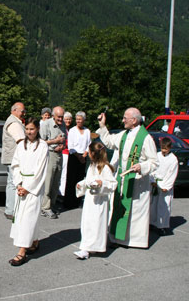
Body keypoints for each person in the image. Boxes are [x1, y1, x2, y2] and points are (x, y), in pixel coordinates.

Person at [97, 107, 158, 248]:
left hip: (138, 182)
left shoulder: (146, 138)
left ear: (134, 120)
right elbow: (109, 141)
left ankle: (134, 241)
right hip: (123, 179)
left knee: (135, 212)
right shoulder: (124, 134)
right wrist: (102, 125)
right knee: (120, 208)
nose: (123, 120)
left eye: (125, 118)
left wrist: (141, 167)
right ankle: (118, 238)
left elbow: (154, 162)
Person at [9, 118, 48, 266]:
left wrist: (28, 187)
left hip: (33, 187)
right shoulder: (21, 145)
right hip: (22, 185)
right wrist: (19, 183)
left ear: (37, 129)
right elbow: (15, 164)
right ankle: (34, 241)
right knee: (21, 217)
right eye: (27, 129)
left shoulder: (42, 146)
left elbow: (40, 170)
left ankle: (22, 252)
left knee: (28, 218)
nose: (29, 132)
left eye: (32, 129)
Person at [73, 141, 117, 259]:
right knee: (87, 222)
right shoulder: (92, 166)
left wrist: (102, 183)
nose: (87, 154)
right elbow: (88, 180)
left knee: (96, 223)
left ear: (94, 153)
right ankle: (86, 246)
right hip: (90, 199)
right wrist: (81, 185)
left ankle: (91, 248)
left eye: (89, 151)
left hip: (99, 201)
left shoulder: (105, 168)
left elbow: (113, 184)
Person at [40, 106, 66, 219]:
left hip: (59, 155)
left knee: (56, 182)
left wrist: (61, 145)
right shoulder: (46, 125)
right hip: (49, 154)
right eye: (58, 117)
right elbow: (41, 142)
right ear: (53, 116)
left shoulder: (63, 125)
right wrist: (55, 141)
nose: (61, 119)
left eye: (62, 117)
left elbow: (63, 139)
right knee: (48, 182)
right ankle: (45, 208)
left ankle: (52, 204)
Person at [1, 102, 26, 220]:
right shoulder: (14, 123)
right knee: (13, 183)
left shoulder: (13, 121)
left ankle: (10, 209)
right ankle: (11, 210)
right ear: (15, 110)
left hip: (12, 157)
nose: (24, 113)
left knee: (11, 183)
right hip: (14, 158)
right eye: (22, 111)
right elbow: (21, 141)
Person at [150, 137, 178, 236]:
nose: (164, 150)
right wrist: (152, 180)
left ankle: (162, 226)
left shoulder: (173, 159)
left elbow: (172, 173)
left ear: (170, 148)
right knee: (153, 205)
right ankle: (152, 223)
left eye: (166, 148)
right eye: (162, 148)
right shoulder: (157, 156)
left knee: (163, 206)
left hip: (165, 184)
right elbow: (153, 168)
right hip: (155, 183)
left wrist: (166, 185)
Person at [64, 111, 91, 209]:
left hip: (83, 156)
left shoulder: (87, 131)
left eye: (80, 119)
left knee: (80, 179)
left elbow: (89, 144)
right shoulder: (72, 130)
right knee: (71, 179)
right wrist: (78, 156)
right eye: (77, 119)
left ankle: (78, 200)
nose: (78, 121)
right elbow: (70, 145)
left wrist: (84, 155)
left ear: (84, 120)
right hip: (74, 156)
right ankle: (68, 202)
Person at [59, 112, 73, 197]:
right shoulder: (62, 129)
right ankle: (61, 193)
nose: (68, 121)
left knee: (66, 173)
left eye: (69, 119)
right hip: (64, 153)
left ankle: (63, 191)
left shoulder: (70, 129)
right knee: (63, 173)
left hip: (69, 153)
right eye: (66, 119)